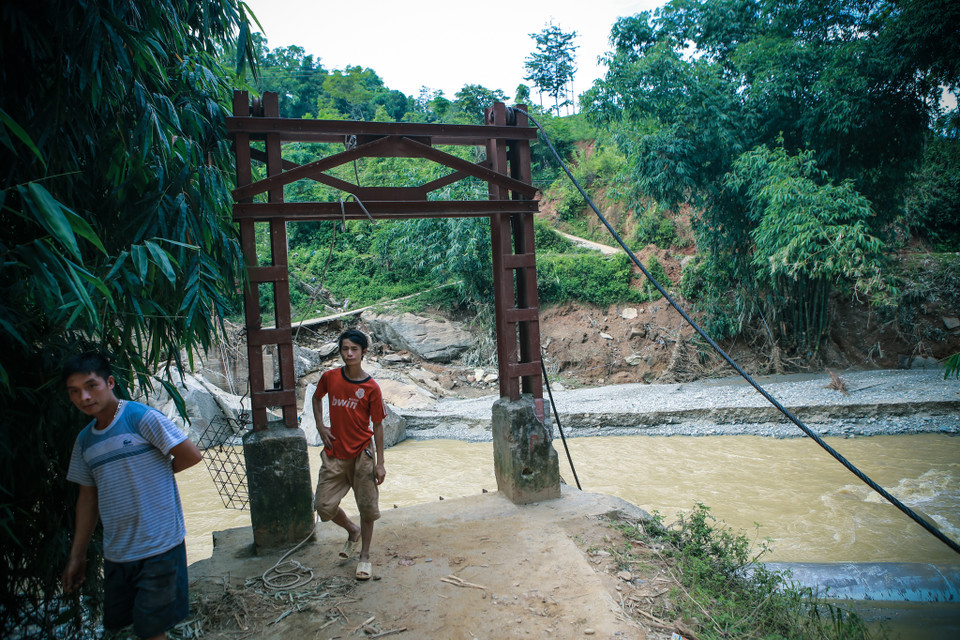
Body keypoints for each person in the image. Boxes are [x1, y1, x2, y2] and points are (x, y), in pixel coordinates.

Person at [61, 352, 203, 640]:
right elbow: (87, 499)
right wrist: (77, 557)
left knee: (151, 630)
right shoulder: (84, 441)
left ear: (110, 382)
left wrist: (153, 474)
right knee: (123, 626)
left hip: (160, 545)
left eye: (91, 386)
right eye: (74, 392)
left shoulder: (140, 417)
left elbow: (190, 455)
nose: (84, 397)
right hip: (118, 552)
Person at [312, 329, 386, 581]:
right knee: (323, 505)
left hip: (362, 454)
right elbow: (316, 397)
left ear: (364, 352)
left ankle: (364, 557)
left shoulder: (371, 388)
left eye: (354, 349)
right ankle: (352, 530)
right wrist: (321, 426)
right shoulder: (330, 377)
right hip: (335, 453)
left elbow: (377, 425)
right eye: (345, 349)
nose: (349, 353)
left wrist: (381, 464)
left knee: (366, 506)